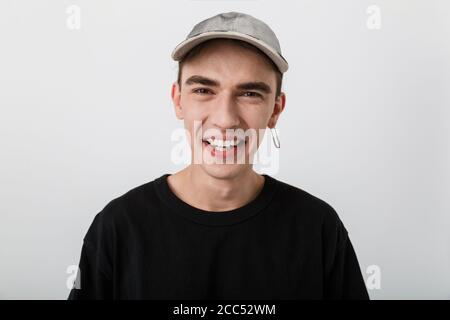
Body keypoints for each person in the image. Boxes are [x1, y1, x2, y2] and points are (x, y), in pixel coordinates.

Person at [68, 11, 369, 300]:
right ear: (178, 101)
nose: (225, 119)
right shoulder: (120, 226)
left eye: (249, 93)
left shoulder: (317, 228)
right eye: (203, 90)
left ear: (275, 110)